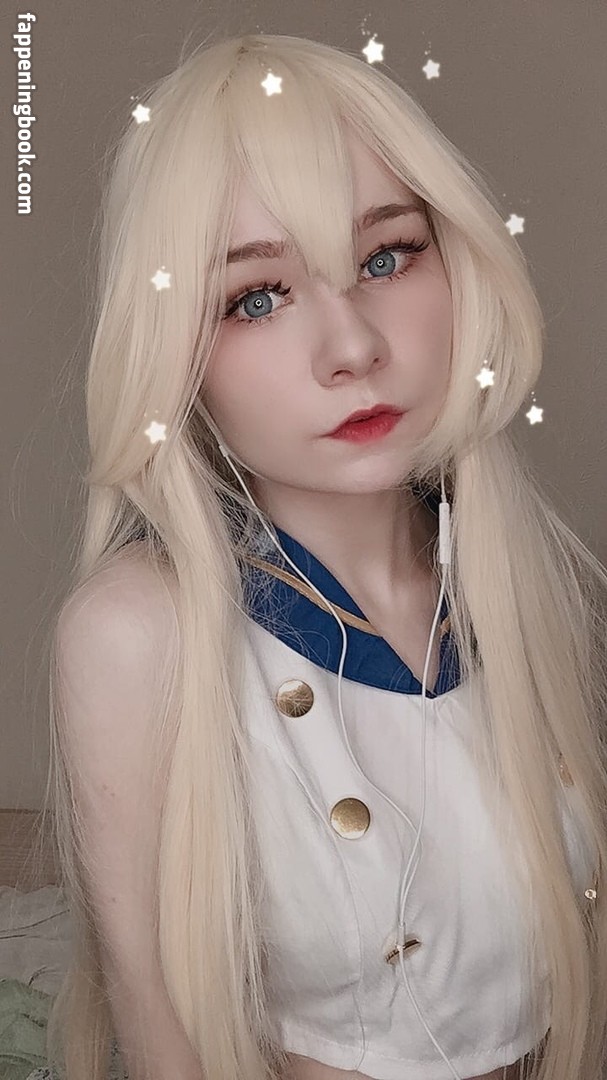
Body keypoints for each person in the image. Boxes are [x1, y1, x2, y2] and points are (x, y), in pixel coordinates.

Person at [37, 31, 607, 1080]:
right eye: (255, 298)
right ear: (174, 352)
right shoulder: (138, 636)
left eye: (386, 258)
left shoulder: (536, 593)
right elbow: (157, 1022)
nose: (353, 348)